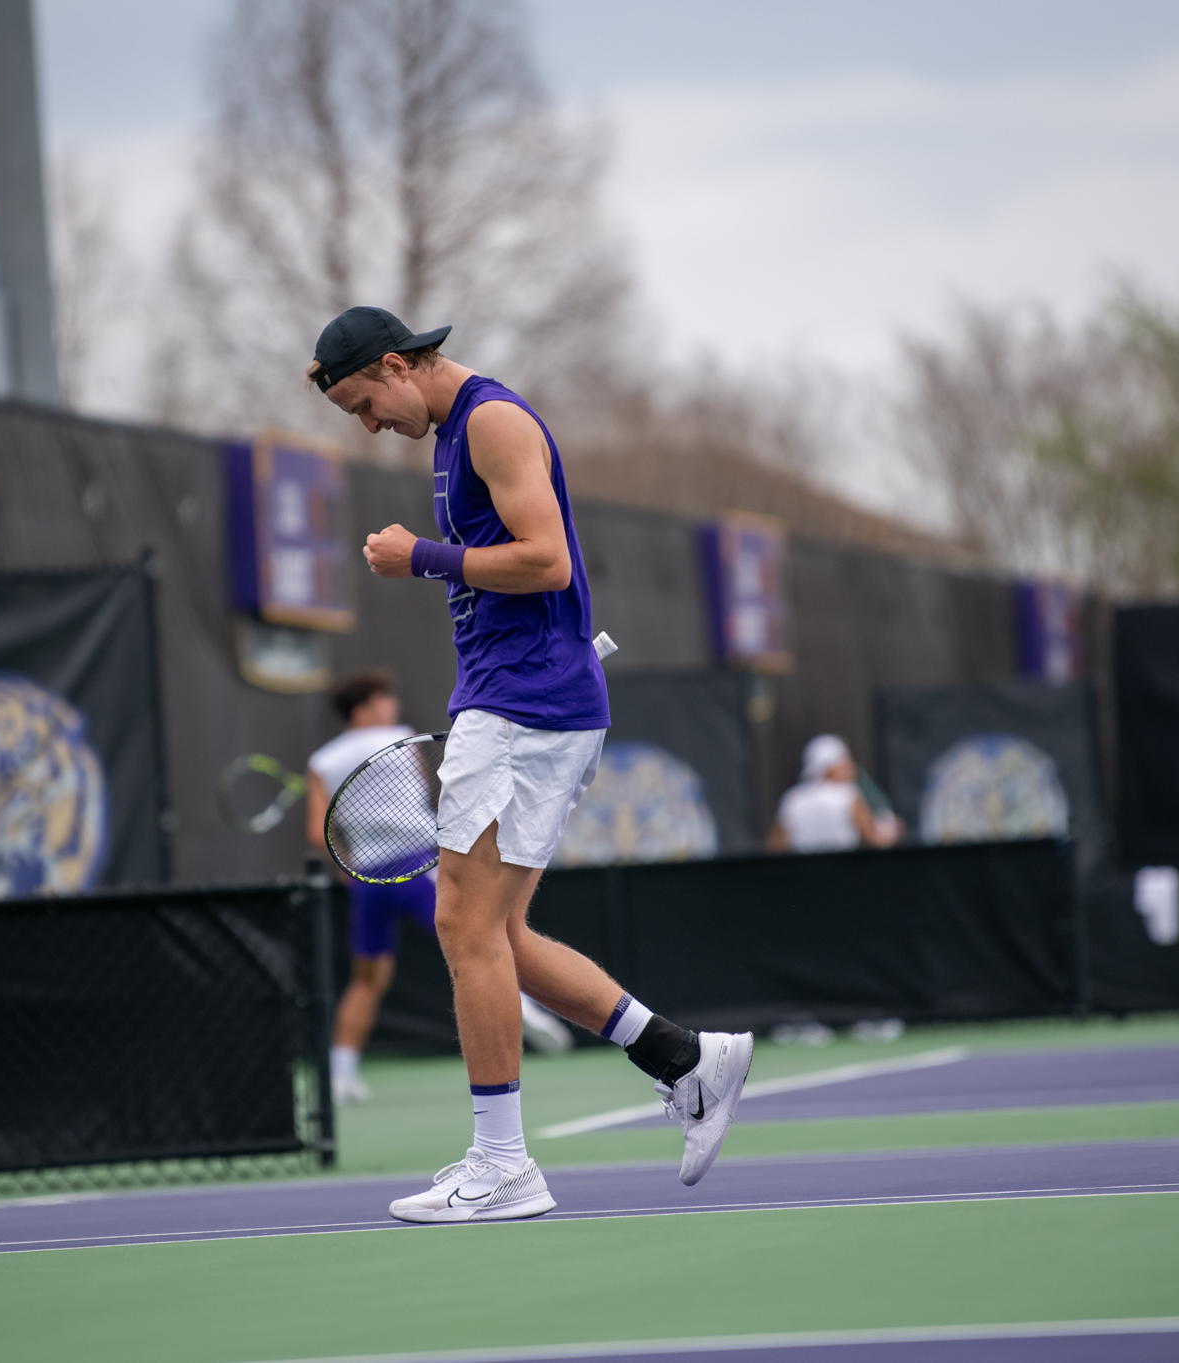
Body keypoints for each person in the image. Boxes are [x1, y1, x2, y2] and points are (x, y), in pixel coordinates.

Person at [309, 305, 753, 1223]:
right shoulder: (452, 434)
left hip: (523, 705)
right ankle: (684, 1059)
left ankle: (505, 1164)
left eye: (363, 403)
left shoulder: (492, 420)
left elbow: (546, 561)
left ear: (397, 365)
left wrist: (421, 556)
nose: (368, 425)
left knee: (462, 929)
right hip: (520, 700)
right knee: (499, 937)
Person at [306, 670, 574, 1108]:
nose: (391, 706)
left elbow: (320, 835)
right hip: (418, 864)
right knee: (481, 941)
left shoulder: (321, 762)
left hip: (368, 882)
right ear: (364, 710)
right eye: (383, 700)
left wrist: (349, 869)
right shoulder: (401, 737)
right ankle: (527, 1011)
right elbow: (433, 791)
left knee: (367, 979)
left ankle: (340, 1076)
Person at [768, 734, 903, 854]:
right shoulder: (848, 795)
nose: (851, 767)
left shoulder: (793, 799)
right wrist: (893, 830)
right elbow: (874, 839)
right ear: (830, 767)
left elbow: (776, 845)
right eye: (845, 762)